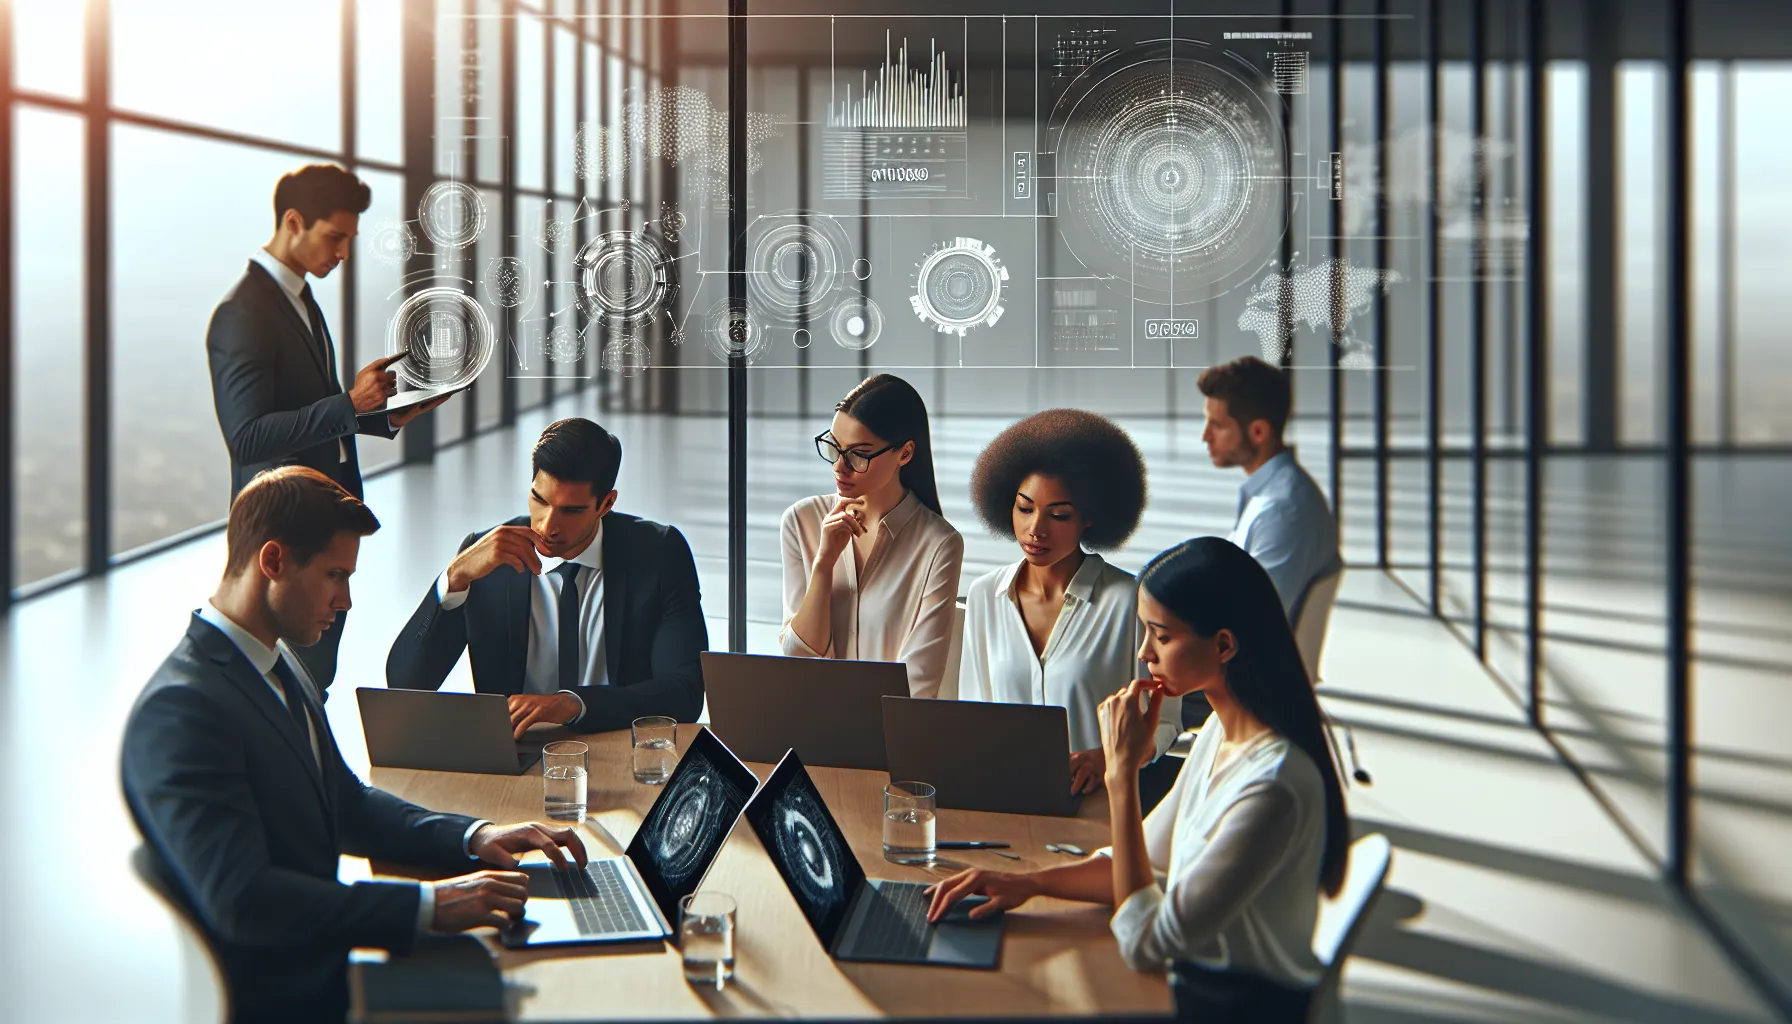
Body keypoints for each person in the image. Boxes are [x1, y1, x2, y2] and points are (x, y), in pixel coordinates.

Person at [121, 467, 587, 1024]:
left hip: (328, 969)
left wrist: (473, 835)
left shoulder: (277, 662)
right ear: (273, 562)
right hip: (302, 999)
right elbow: (245, 901)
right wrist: (431, 905)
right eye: (335, 575)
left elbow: (345, 803)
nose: (346, 601)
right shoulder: (181, 711)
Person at [925, 537, 1350, 1024]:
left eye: (1162, 636)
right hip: (1195, 981)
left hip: (1229, 1003)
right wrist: (1025, 883)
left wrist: (1120, 773)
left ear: (1225, 645)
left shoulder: (1272, 785)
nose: (1145, 652)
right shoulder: (1219, 731)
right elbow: (1144, 863)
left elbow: (1147, 941)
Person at [207, 164, 450, 692]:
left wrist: (373, 415)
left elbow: (306, 409)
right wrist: (346, 404)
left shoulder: (300, 300)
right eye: (334, 237)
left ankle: (309, 772)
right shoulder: (243, 312)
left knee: (313, 678)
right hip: (284, 533)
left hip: (323, 523)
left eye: (349, 240)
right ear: (293, 221)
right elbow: (247, 438)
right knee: (287, 684)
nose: (342, 253)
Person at [387, 417, 707, 736]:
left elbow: (684, 695)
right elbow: (405, 686)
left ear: (606, 503)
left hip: (620, 745)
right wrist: (453, 579)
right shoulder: (485, 560)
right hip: (515, 757)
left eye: (571, 511)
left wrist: (572, 704)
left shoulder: (659, 553)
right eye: (540, 500)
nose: (547, 526)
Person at [959, 409, 1181, 801]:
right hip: (1001, 803)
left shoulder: (1130, 602)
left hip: (1100, 806)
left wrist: (1109, 757)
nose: (1035, 530)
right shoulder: (984, 596)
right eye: (1024, 508)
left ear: (1090, 518)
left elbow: (1165, 722)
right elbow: (972, 720)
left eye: (1058, 515)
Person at [780, 374, 963, 698]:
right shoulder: (801, 521)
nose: (840, 466)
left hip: (892, 738)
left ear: (905, 453)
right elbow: (796, 657)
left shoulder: (939, 544)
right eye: (834, 447)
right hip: (811, 728)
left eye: (858, 454)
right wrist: (823, 564)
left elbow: (919, 683)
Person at [1197, 356, 1342, 622]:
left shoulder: (1283, 510)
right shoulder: (1273, 492)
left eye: (1217, 425)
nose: (1205, 436)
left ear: (1259, 432)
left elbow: (1255, 621)